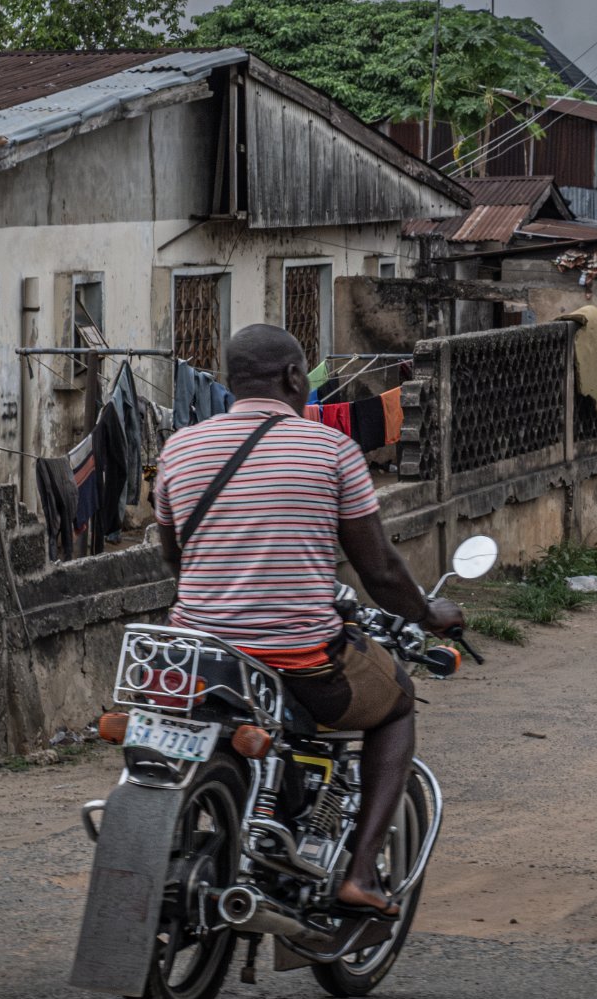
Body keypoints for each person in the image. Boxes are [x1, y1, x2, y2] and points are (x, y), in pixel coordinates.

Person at [152, 323, 463, 919]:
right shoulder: (331, 449)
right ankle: (362, 872)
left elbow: (175, 557)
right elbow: (382, 572)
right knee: (397, 701)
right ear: (297, 378)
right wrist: (429, 613)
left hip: (194, 655)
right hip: (297, 659)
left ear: (229, 382)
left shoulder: (180, 448)